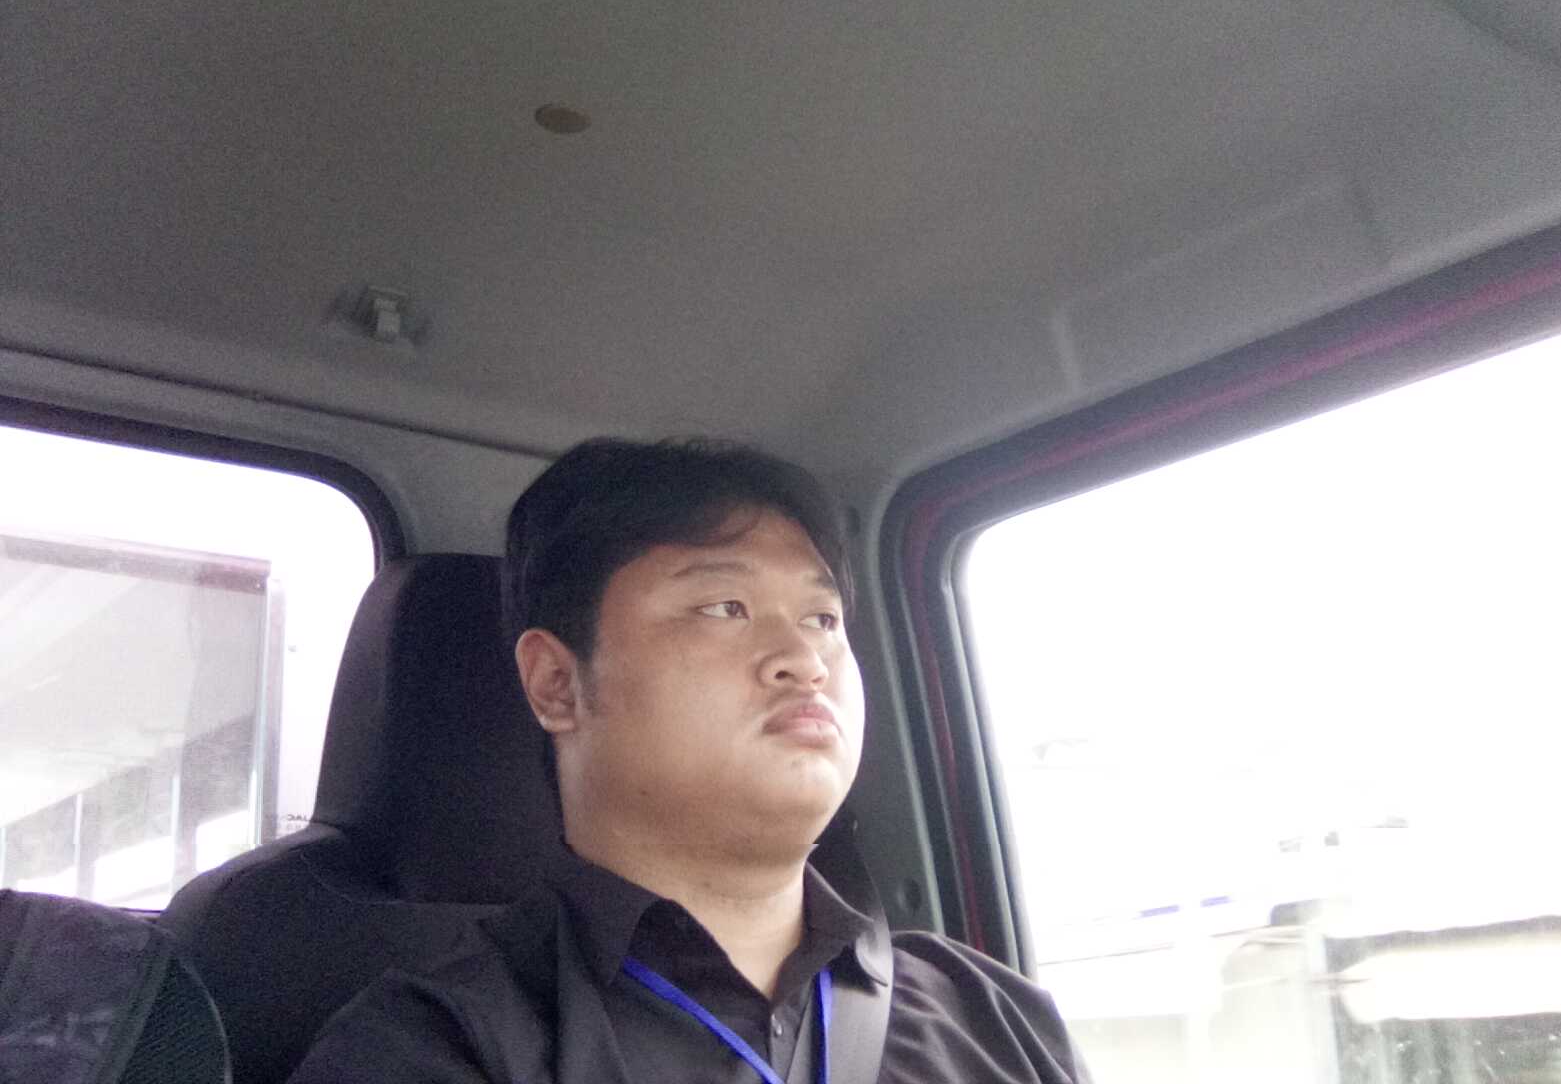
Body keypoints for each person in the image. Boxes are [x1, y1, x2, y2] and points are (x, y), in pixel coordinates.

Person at [289, 438, 1090, 1083]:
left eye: (822, 618)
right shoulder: (434, 1047)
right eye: (724, 607)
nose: (802, 658)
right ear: (557, 683)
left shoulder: (993, 1015)